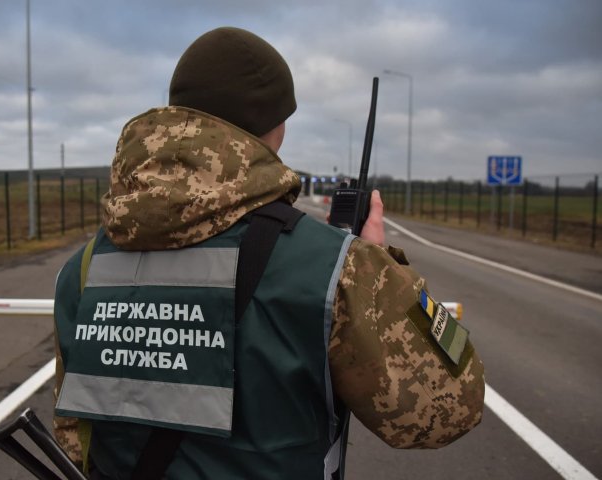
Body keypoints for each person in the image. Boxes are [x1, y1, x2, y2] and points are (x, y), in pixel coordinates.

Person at [53, 27, 485, 480]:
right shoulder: (338, 269)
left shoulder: (81, 270)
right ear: (275, 128)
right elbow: (445, 410)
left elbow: (74, 430)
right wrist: (381, 271)